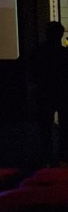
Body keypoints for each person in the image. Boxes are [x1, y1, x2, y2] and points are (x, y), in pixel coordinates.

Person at [32, 20, 68, 165]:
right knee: (64, 126)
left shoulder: (38, 52)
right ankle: (63, 154)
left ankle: (46, 156)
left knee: (45, 127)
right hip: (63, 93)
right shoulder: (64, 53)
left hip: (45, 93)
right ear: (60, 35)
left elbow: (33, 72)